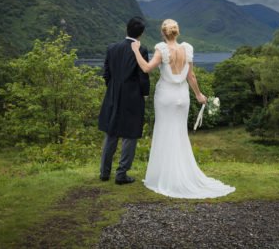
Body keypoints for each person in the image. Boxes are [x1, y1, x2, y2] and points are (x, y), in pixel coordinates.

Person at [131, 19, 235, 198]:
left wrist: (135, 51)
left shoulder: (161, 49)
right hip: (183, 96)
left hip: (166, 97)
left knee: (164, 131)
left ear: (163, 33)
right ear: (177, 33)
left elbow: (146, 68)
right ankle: (181, 173)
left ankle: (164, 176)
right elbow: (191, 76)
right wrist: (199, 95)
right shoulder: (187, 49)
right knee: (179, 133)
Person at [98, 16, 150, 184]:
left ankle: (104, 173)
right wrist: (145, 93)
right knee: (130, 135)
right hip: (133, 97)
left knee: (111, 133)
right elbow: (143, 76)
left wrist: (113, 88)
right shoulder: (141, 50)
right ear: (140, 33)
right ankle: (121, 174)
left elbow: (106, 74)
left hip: (113, 96)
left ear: (126, 29)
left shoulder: (112, 48)